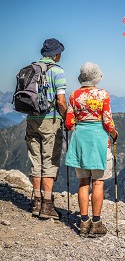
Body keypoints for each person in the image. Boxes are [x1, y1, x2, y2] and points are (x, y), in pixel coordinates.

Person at [65, 62, 118, 237]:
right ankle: (96, 223)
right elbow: (107, 121)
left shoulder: (73, 95)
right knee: (98, 182)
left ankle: (83, 221)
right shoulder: (103, 94)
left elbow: (69, 122)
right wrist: (114, 133)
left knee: (83, 182)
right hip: (98, 140)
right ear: (96, 77)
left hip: (80, 140)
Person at [26, 38, 67, 219]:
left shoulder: (31, 69)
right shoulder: (57, 71)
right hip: (50, 121)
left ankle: (36, 202)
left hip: (31, 119)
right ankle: (47, 205)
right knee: (49, 161)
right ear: (56, 54)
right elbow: (61, 101)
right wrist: (66, 118)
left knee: (36, 161)